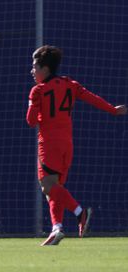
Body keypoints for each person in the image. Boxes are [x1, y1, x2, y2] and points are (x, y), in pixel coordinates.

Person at [26, 46, 126, 246]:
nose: (32, 71)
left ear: (45, 68)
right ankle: (57, 229)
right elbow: (92, 98)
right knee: (56, 188)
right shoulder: (70, 84)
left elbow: (30, 121)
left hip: (49, 144)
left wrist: (35, 107)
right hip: (67, 144)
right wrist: (112, 110)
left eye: (35, 66)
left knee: (47, 187)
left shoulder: (38, 90)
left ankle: (79, 212)